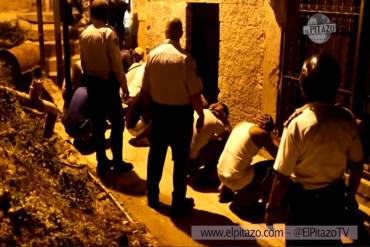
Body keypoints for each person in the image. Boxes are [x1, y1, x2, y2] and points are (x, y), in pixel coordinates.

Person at [264, 54, 364, 245]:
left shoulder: (298, 124)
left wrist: (272, 208)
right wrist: (349, 195)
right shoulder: (347, 120)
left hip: (303, 203)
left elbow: (282, 177)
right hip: (333, 199)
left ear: (304, 85)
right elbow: (358, 164)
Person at [141, 17, 205, 215]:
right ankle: (178, 201)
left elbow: (145, 90)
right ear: (181, 34)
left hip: (159, 114)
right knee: (180, 161)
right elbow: (194, 94)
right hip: (180, 117)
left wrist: (147, 114)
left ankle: (152, 196)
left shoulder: (152, 56)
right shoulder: (185, 59)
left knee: (156, 156)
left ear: (166, 33)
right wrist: (200, 113)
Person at [79, 0, 132, 176]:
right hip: (107, 85)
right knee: (117, 123)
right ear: (106, 14)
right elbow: (116, 64)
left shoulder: (84, 34)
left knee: (98, 124)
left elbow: (83, 63)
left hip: (92, 83)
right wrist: (124, 85)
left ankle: (101, 162)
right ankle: (117, 162)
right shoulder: (108, 33)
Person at [217, 114, 279, 204]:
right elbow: (279, 156)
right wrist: (271, 133)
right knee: (273, 167)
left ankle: (226, 189)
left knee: (238, 160)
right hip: (237, 180)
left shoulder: (241, 124)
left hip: (221, 173)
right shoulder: (261, 134)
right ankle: (255, 197)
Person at [188, 102, 231, 186]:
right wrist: (225, 120)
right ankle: (206, 176)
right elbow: (229, 137)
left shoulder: (198, 112)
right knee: (221, 145)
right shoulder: (217, 122)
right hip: (191, 161)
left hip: (180, 154)